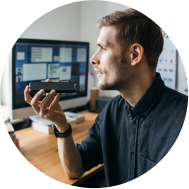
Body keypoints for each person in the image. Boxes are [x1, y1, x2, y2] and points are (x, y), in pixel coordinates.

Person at [24, 8, 188, 188]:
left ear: (134, 55)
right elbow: (75, 169)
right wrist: (61, 125)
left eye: (103, 48)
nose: (93, 59)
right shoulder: (112, 111)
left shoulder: (180, 118)